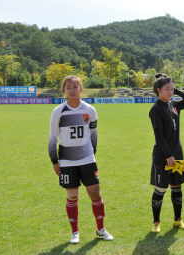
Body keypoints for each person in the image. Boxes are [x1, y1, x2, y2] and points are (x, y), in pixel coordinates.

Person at [48, 75, 113, 244]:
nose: (71, 90)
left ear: (80, 89)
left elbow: (93, 134)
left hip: (87, 160)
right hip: (67, 162)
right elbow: (52, 139)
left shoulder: (90, 110)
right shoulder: (58, 112)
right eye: (68, 87)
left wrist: (91, 154)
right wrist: (55, 161)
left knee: (95, 194)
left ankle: (101, 228)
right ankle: (75, 232)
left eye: (75, 87)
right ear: (64, 90)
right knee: (72, 197)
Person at [149, 73, 184, 233]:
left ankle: (178, 220)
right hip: (163, 156)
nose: (170, 92)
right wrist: (169, 155)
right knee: (160, 189)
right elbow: (159, 135)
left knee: (177, 186)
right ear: (158, 90)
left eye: (171, 89)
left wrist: (176, 90)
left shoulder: (173, 105)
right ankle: (156, 222)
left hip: (178, 153)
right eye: (167, 89)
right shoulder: (156, 109)